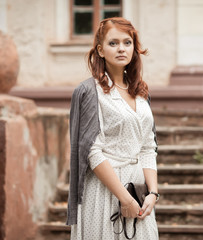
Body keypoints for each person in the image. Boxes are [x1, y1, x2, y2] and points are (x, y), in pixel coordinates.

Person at [67, 17, 159, 239]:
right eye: (113, 43)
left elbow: (148, 146)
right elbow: (91, 150)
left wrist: (153, 193)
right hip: (103, 191)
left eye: (127, 43)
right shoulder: (89, 91)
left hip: (138, 190)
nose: (121, 49)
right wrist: (124, 198)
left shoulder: (141, 92)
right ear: (100, 50)